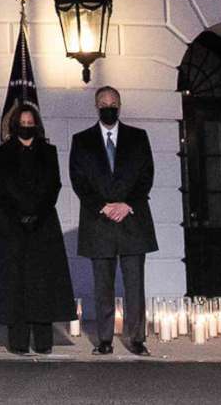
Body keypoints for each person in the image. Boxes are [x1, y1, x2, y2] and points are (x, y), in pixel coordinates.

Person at [67, 84, 156, 355]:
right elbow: (78, 180)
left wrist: (127, 204)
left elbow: (146, 176)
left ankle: (137, 339)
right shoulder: (81, 140)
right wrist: (103, 207)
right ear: (96, 106)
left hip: (132, 220)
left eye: (113, 103)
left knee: (134, 285)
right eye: (103, 103)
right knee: (102, 285)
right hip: (99, 222)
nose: (109, 107)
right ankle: (104, 340)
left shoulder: (138, 137)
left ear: (120, 105)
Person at [0, 101, 76, 355]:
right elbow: (0, 186)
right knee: (17, 283)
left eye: (30, 123)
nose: (26, 127)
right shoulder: (2, 153)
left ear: (36, 125)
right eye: (22, 123)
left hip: (43, 225)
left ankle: (44, 341)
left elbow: (53, 185)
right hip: (13, 225)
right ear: (15, 125)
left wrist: (36, 212)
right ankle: (18, 341)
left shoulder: (48, 152)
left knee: (42, 283)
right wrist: (20, 213)